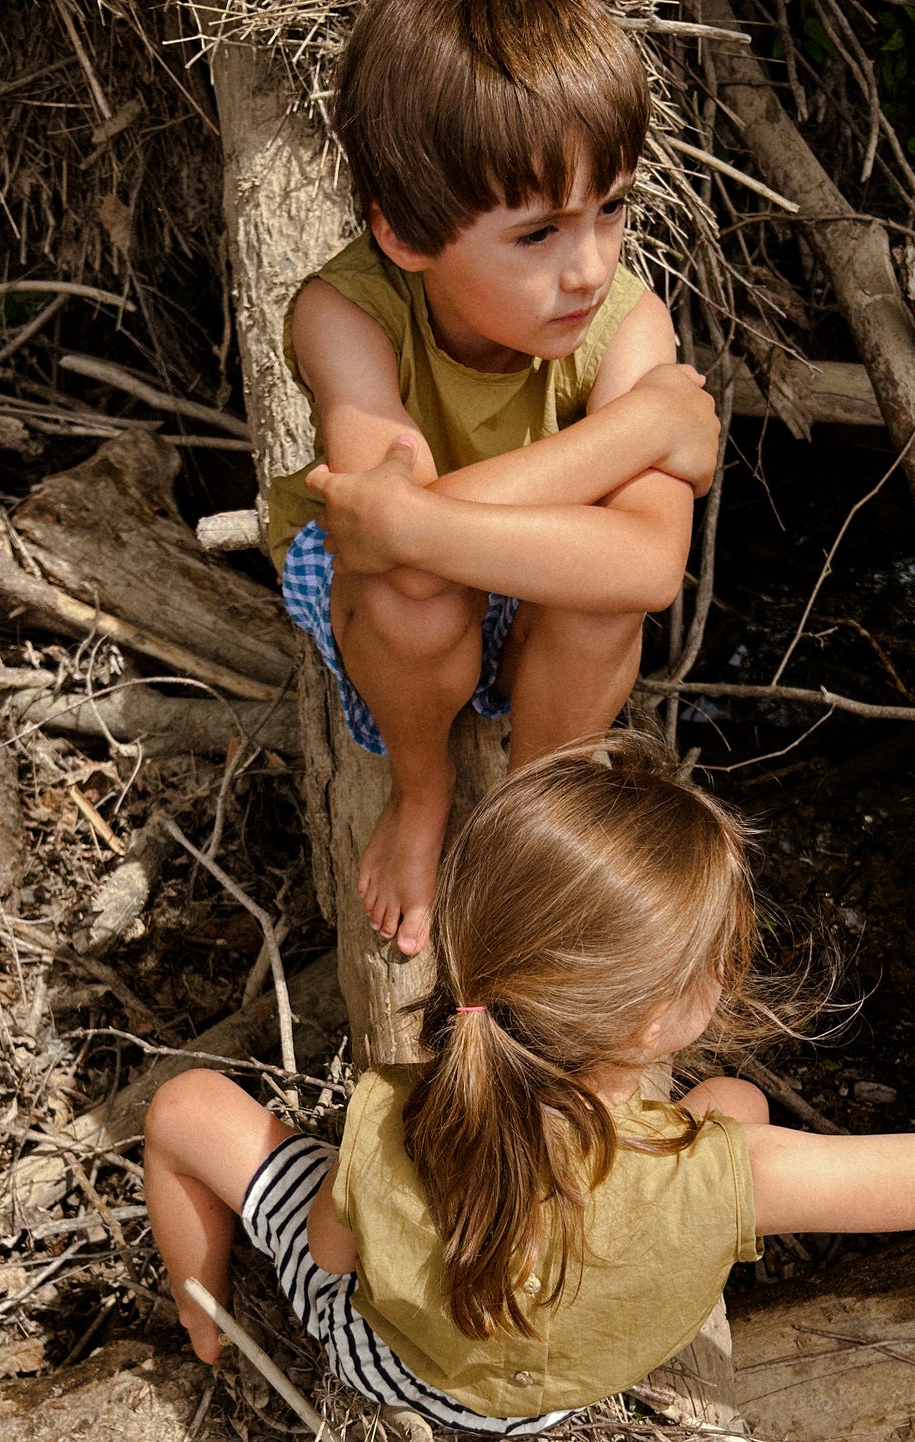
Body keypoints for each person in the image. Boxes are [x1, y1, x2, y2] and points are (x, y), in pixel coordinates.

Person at [144, 735, 915, 1437]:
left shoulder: (394, 1114)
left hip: (394, 1371)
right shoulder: (738, 1177)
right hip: (568, 1395)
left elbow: (331, 1254)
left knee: (184, 1109)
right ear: (652, 1017)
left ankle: (206, 1329)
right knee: (731, 1104)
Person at [270, 0, 720, 957]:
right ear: (406, 236)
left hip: (519, 578)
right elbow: (381, 546)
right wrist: (640, 427)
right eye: (536, 235)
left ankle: (530, 815)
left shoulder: (628, 324)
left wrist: (412, 520)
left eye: (612, 208)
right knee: (415, 595)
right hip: (394, 597)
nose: (591, 268)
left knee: (598, 598)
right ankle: (421, 789)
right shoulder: (343, 315)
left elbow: (645, 569)